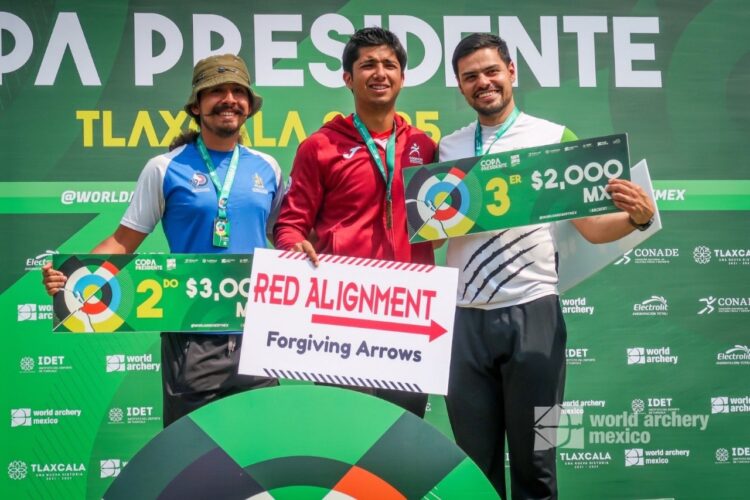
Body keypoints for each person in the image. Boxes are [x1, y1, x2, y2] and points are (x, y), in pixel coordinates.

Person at [440, 33, 655, 499]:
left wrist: (638, 218)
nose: (483, 82)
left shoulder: (554, 138)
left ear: (511, 72)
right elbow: (432, 232)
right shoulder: (447, 148)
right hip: (463, 320)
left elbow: (592, 228)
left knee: (537, 464)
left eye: (491, 71)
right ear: (460, 85)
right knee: (472, 470)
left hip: (534, 314)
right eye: (470, 76)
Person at [42, 54, 283, 427]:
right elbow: (123, 242)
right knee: (194, 455)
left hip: (258, 334)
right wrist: (71, 277)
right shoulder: (165, 167)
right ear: (196, 105)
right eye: (216, 91)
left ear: (249, 105)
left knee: (262, 451)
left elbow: (287, 238)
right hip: (192, 338)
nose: (229, 99)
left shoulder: (268, 168)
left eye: (238, 92)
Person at [273, 27, 437, 417]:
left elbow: (439, 227)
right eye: (368, 65)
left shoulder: (424, 146)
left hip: (408, 311)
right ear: (348, 78)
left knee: (403, 432)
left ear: (402, 77)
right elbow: (289, 225)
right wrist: (293, 246)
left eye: (389, 65)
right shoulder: (319, 146)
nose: (380, 73)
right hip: (343, 312)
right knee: (346, 431)